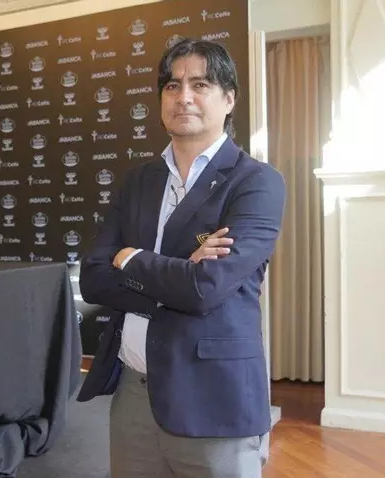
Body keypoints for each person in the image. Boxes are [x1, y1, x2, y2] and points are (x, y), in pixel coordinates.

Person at [77, 38, 286, 477]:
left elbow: (204, 288)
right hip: (134, 394)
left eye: (200, 84)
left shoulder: (256, 182)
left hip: (214, 398)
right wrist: (179, 275)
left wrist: (131, 258)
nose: (183, 96)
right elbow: (94, 278)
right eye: (172, 86)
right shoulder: (137, 181)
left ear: (229, 99)